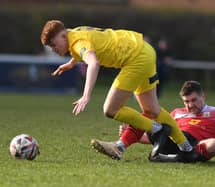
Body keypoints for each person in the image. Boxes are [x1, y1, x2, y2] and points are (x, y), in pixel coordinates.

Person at [40, 20, 196, 158]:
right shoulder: (75, 32)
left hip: (135, 59)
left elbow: (93, 63)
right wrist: (71, 63)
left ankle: (158, 129)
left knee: (110, 109)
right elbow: (86, 46)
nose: (54, 49)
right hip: (145, 50)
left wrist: (86, 95)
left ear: (63, 35)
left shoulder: (76, 43)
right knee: (153, 110)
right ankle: (187, 149)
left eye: (54, 45)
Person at [92, 80, 215, 162]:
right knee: (148, 114)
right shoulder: (176, 113)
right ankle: (120, 146)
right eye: (186, 101)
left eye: (194, 100)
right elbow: (159, 135)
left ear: (203, 96)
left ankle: (181, 156)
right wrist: (133, 135)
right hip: (172, 140)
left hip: (195, 144)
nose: (190, 105)